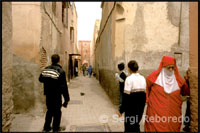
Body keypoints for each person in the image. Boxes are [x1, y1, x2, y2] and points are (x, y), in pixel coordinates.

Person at [145, 56, 190, 132]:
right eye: (168, 68)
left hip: (173, 113)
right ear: (163, 67)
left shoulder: (178, 80)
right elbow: (146, 87)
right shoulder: (154, 78)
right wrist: (148, 99)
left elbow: (186, 91)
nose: (170, 70)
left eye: (172, 68)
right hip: (156, 111)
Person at [39, 54, 70, 132]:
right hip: (56, 95)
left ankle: (46, 128)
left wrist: (49, 80)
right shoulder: (61, 71)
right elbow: (64, 87)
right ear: (59, 61)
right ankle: (55, 128)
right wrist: (66, 99)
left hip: (48, 94)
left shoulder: (46, 69)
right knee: (57, 111)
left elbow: (40, 79)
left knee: (49, 110)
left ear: (51, 60)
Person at [117, 60, 146, 132]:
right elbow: (144, 95)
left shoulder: (129, 79)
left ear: (129, 68)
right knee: (136, 124)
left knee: (129, 127)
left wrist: (121, 110)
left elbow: (126, 97)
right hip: (140, 107)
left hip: (131, 108)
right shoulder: (143, 78)